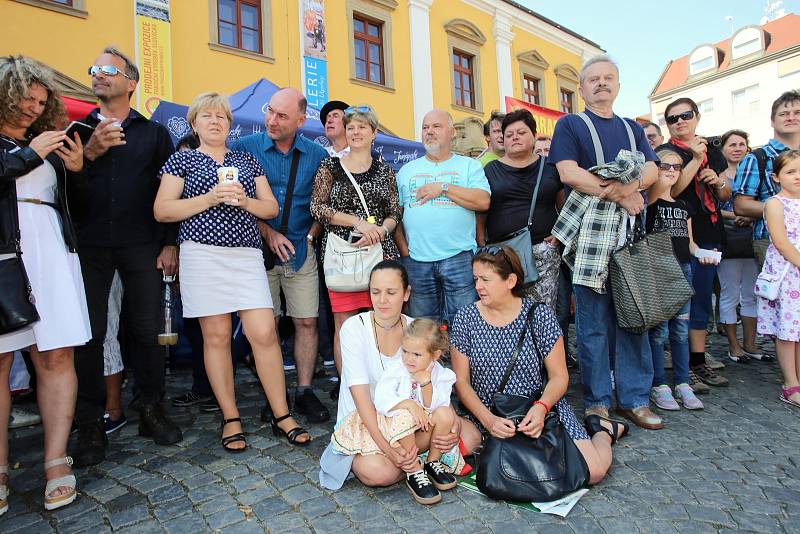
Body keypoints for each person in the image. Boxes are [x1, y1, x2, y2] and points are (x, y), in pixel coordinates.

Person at [154, 92, 310, 450]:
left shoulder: (245, 160)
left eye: (221, 116)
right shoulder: (182, 161)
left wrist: (244, 201)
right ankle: (230, 417)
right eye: (207, 116)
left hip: (244, 256)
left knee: (264, 333)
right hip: (202, 255)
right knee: (217, 337)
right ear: (194, 124)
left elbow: (269, 208)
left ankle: (281, 413)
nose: (214, 121)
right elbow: (162, 210)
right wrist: (208, 199)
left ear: (229, 124)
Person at [69, 46, 181, 466]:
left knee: (147, 330)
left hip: (141, 243)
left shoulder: (153, 134)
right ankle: (91, 423)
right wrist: (92, 153)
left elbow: (170, 190)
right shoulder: (78, 130)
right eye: (94, 68)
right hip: (91, 244)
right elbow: (66, 194)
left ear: (131, 83)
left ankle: (151, 407)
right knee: (91, 335)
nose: (99, 75)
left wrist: (170, 241)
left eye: (109, 70)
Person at [451, 246, 627, 487]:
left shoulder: (539, 315)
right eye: (475, 279)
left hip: (537, 409)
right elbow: (461, 382)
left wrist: (542, 408)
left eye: (485, 280)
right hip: (487, 411)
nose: (478, 286)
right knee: (462, 448)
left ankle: (603, 432)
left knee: (594, 471)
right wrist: (488, 419)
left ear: (510, 281)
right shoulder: (466, 318)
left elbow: (559, 377)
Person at [549, 54, 662, 430]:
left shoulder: (633, 128)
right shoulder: (571, 125)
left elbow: (652, 168)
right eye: (593, 79)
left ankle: (634, 399)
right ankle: (598, 401)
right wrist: (620, 194)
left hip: (629, 238)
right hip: (589, 241)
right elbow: (568, 172)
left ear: (617, 85)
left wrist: (634, 187)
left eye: (608, 78)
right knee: (592, 324)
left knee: (634, 319)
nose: (601, 83)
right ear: (581, 89)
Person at [0, 55, 90, 513]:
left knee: (56, 355)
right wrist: (29, 155)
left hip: (51, 253)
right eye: (24, 98)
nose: (33, 108)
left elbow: (68, 203)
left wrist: (75, 170)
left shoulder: (43, 142)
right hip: (4, 256)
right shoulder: (22, 149)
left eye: (40, 100)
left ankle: (56, 460)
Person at [231, 88, 330, 425]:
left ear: (301, 120)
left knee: (306, 322)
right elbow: (234, 200)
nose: (272, 120)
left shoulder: (317, 155)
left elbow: (323, 204)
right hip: (256, 254)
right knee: (265, 328)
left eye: (282, 116)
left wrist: (312, 237)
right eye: (270, 112)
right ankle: (275, 394)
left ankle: (303, 390)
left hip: (301, 252)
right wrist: (267, 231)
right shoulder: (244, 149)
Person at [318, 260, 460, 491]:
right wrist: (388, 449)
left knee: (464, 433)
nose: (382, 300)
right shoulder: (354, 328)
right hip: (368, 423)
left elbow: (436, 379)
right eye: (375, 292)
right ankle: (416, 464)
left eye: (391, 292)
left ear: (406, 293)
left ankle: (421, 461)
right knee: (380, 473)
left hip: (411, 422)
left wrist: (451, 428)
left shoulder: (416, 329)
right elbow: (361, 397)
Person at [310, 106, 401, 374]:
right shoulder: (331, 166)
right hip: (342, 255)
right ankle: (349, 390)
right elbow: (317, 207)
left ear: (374, 132)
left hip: (381, 255)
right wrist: (358, 222)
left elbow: (395, 211)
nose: (356, 132)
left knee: (385, 319)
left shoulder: (384, 170)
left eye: (362, 127)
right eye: (351, 127)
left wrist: (382, 230)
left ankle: (384, 382)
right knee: (345, 324)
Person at [332, 318, 458, 504]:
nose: (408, 358)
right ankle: (414, 470)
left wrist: (426, 384)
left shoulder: (441, 374)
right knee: (405, 415)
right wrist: (408, 403)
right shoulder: (397, 370)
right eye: (405, 351)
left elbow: (436, 405)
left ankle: (432, 462)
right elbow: (382, 400)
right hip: (394, 430)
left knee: (446, 413)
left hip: (422, 427)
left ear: (435, 354)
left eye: (416, 354)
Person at [659, 97, 731, 389]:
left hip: (709, 229)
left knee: (702, 297)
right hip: (676, 231)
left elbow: (727, 195)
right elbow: (673, 187)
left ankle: (698, 361)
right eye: (673, 118)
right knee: (679, 301)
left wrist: (717, 181)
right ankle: (681, 365)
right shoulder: (666, 152)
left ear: (696, 117)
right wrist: (693, 159)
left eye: (685, 115)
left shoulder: (712, 152)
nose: (679, 122)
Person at [395, 109, 491, 323]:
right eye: (425, 127)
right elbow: (396, 215)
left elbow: (483, 201)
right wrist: (406, 253)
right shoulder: (406, 170)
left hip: (459, 257)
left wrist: (444, 188)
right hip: (417, 260)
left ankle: (462, 358)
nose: (429, 132)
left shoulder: (469, 166)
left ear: (451, 132)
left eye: (436, 126)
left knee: (465, 323)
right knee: (422, 326)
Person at [480, 109, 564, 308]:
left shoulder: (551, 168)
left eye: (521, 132)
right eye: (508, 135)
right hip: (502, 254)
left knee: (542, 314)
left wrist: (560, 234)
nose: (514, 137)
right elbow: (481, 210)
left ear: (534, 136)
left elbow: (563, 204)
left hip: (543, 254)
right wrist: (481, 242)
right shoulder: (490, 170)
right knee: (505, 310)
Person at [646, 150, 710, 411]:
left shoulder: (684, 206)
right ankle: (659, 384)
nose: (671, 170)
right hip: (659, 270)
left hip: (684, 270)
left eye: (677, 166)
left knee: (681, 331)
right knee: (659, 331)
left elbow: (691, 244)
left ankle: (683, 382)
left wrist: (705, 254)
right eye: (664, 165)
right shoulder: (648, 203)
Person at [735, 90, 800, 268]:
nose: (791, 117)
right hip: (771, 239)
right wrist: (786, 209)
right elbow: (741, 205)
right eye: (784, 114)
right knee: (783, 296)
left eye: (797, 113)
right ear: (773, 121)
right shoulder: (757, 157)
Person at [756, 150, 800, 408]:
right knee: (788, 330)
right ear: (776, 177)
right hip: (788, 274)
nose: (797, 177)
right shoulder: (775, 203)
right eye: (791, 172)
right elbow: (781, 241)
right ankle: (790, 383)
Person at [717, 130, 764, 363]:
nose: (737, 148)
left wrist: (751, 217)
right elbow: (713, 207)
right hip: (728, 238)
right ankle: (733, 346)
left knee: (751, 294)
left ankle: (751, 343)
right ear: (723, 149)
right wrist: (737, 214)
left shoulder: (758, 170)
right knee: (729, 293)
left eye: (742, 144)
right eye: (732, 144)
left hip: (753, 237)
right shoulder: (719, 176)